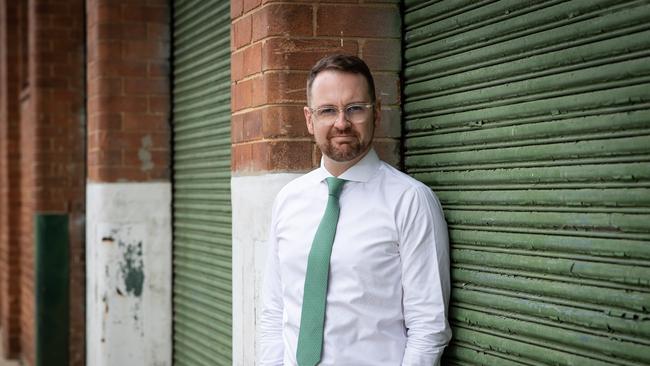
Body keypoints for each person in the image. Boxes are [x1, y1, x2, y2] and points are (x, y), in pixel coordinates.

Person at [259, 54, 451, 366]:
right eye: (327, 110)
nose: (341, 123)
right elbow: (274, 312)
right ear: (309, 119)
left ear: (376, 114)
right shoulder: (288, 199)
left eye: (354, 109)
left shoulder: (410, 200)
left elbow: (428, 327)